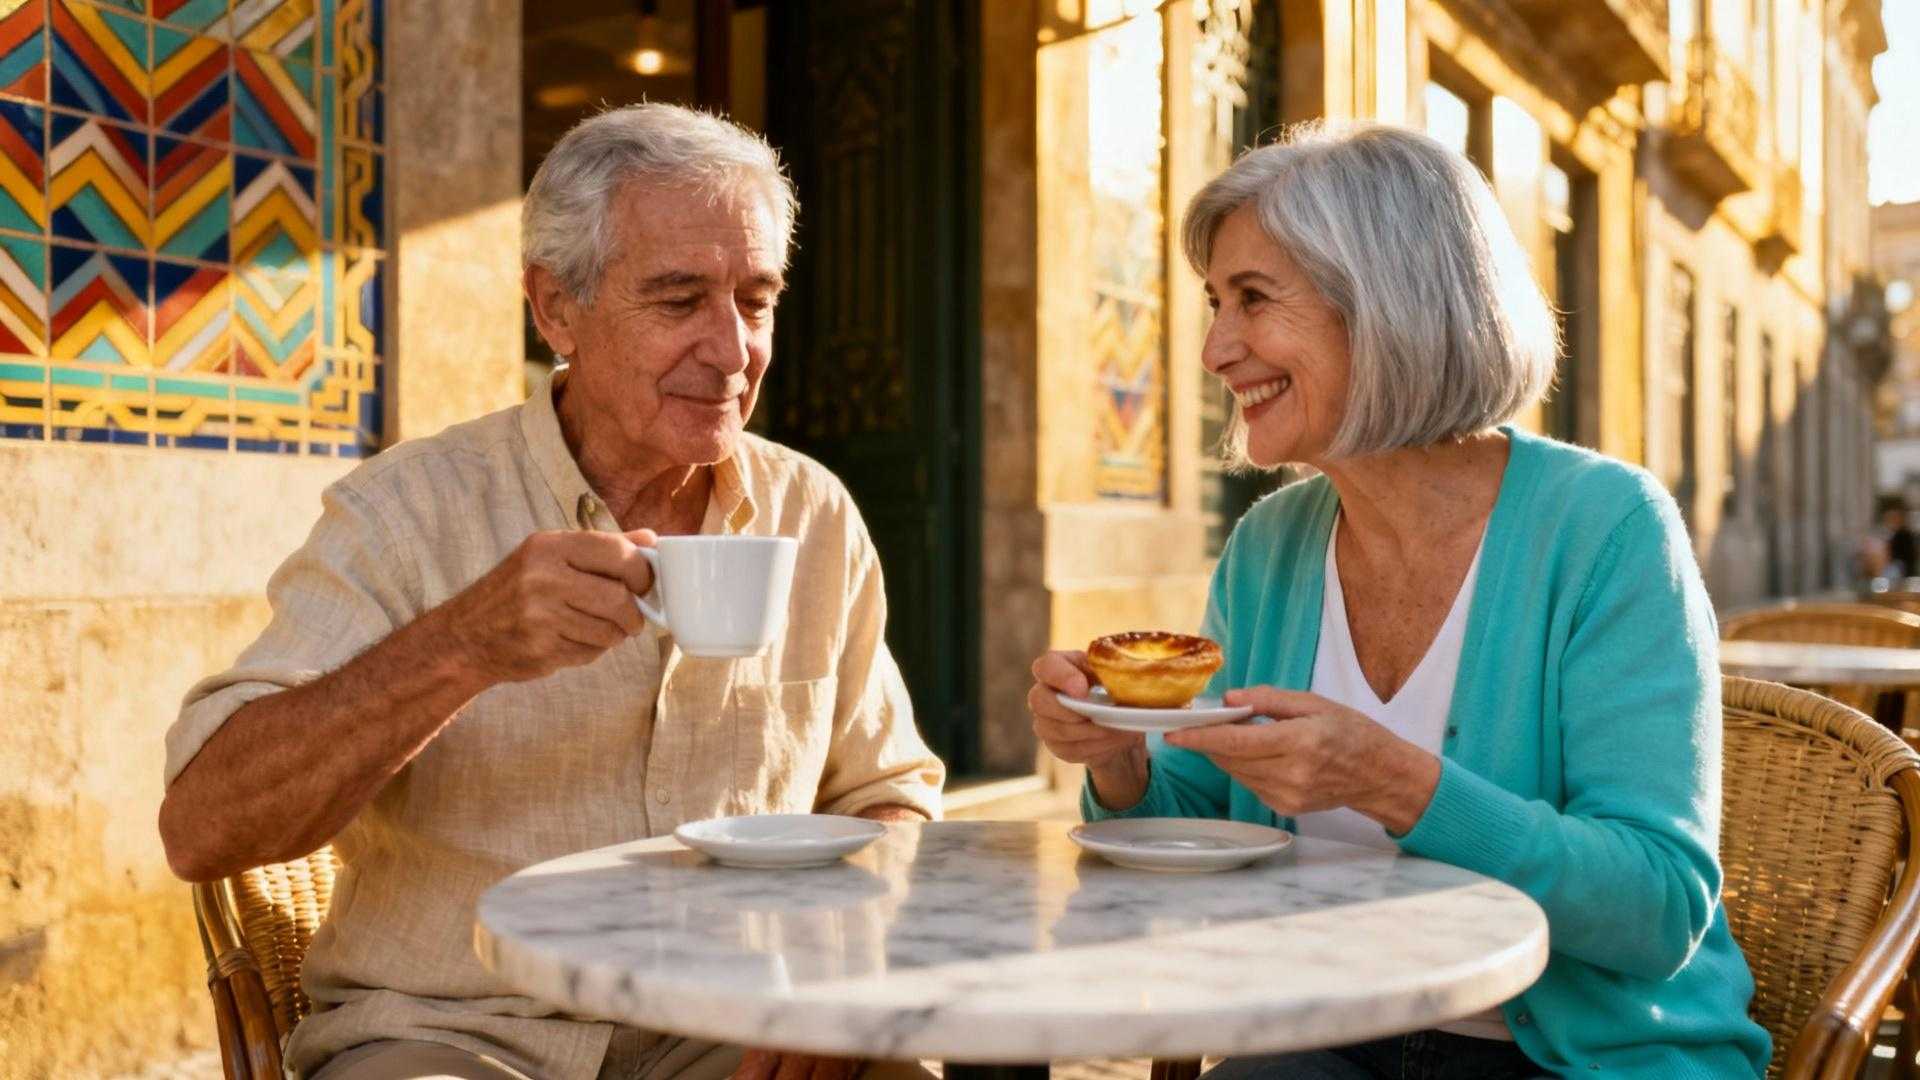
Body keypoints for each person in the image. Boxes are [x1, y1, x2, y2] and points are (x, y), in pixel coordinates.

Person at [158, 104, 945, 1080]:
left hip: (731, 1027)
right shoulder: (408, 510)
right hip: (455, 1032)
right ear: (555, 308)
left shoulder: (812, 512)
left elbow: (888, 795)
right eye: (679, 299)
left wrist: (838, 970)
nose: (734, 350)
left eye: (755, 300)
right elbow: (201, 829)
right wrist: (460, 647)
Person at [1027, 123, 1770, 1079]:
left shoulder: (1606, 528)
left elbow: (1657, 906)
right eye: (1215, 303)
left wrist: (1396, 785)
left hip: (1581, 1056)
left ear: (1386, 304)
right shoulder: (1270, 545)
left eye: (1252, 299)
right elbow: (1195, 831)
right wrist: (1123, 759)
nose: (1215, 348)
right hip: (1328, 1031)